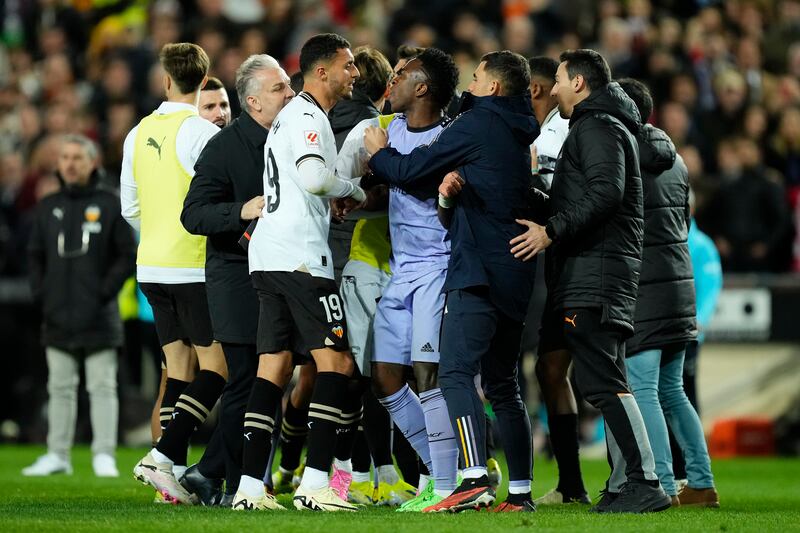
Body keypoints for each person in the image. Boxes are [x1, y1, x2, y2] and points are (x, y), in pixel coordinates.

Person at [365, 50, 539, 513]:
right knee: (503, 384)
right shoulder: (517, 128)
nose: (470, 85)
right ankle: (520, 494)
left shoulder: (476, 125)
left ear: (493, 88)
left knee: (456, 373)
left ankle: (473, 476)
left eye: (477, 78)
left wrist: (378, 153)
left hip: (475, 268)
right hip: (516, 269)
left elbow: (409, 171)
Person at [509, 49, 670, 514]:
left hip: (595, 274)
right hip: (586, 271)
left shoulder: (598, 127)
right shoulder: (598, 126)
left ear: (579, 83)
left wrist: (551, 231)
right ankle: (620, 484)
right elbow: (586, 194)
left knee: (603, 381)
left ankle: (645, 480)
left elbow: (606, 193)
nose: (552, 88)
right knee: (582, 375)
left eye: (558, 79)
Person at [233, 33, 365, 513]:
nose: (356, 73)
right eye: (348, 65)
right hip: (302, 260)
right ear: (323, 71)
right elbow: (313, 178)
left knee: (275, 368)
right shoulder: (309, 115)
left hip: (269, 257)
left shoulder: (292, 116)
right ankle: (315, 483)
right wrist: (354, 188)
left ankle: (249, 488)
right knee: (336, 364)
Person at [342, 47, 462, 512]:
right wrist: (360, 200)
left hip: (437, 266)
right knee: (386, 377)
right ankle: (445, 471)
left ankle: (445, 483)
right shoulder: (390, 130)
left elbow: (426, 189)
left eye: (402, 75)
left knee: (428, 375)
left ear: (424, 88)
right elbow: (393, 191)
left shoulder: (449, 137)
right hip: (400, 268)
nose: (391, 82)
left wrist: (383, 158)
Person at [180, 54, 295, 506]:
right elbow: (193, 213)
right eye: (279, 88)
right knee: (247, 379)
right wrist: (240, 210)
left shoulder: (289, 137)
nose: (289, 93)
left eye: (288, 85)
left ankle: (214, 473)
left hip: (282, 273)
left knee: (270, 377)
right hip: (236, 276)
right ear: (252, 101)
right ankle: (233, 481)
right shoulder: (225, 147)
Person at [122, 42, 228, 505]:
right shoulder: (201, 133)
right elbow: (218, 199)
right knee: (218, 369)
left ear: (165, 80)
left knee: (178, 371)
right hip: (193, 266)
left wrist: (157, 234)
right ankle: (163, 457)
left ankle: (175, 479)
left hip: (151, 266)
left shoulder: (136, 133)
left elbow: (130, 207)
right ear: (203, 82)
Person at [615, 77, 719, 508]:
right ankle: (700, 482)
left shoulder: (625, 157)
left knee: (643, 389)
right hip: (679, 285)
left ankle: (656, 481)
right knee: (673, 390)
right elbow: (685, 223)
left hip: (645, 287)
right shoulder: (676, 160)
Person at [23, 134, 136, 478]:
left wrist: (104, 293)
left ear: (93, 163)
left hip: (99, 314)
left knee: (101, 386)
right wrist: (42, 293)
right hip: (57, 314)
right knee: (59, 387)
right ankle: (58, 453)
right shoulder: (47, 206)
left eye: (78, 157)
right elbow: (35, 255)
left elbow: (126, 255)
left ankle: (104, 453)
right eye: (65, 157)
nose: (71, 164)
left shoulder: (108, 203)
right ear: (58, 164)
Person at [522, 56, 591, 507]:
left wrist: (525, 180)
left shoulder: (557, 134)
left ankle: (643, 477)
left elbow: (561, 200)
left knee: (605, 376)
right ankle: (571, 486)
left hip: (577, 269)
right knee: (550, 369)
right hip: (562, 268)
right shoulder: (555, 130)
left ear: (536, 91)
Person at [671, 190, 722, 485]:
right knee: (675, 398)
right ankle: (681, 470)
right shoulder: (680, 240)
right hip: (668, 331)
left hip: (688, 334)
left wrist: (698, 320)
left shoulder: (700, 245)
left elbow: (711, 285)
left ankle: (690, 470)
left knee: (684, 397)